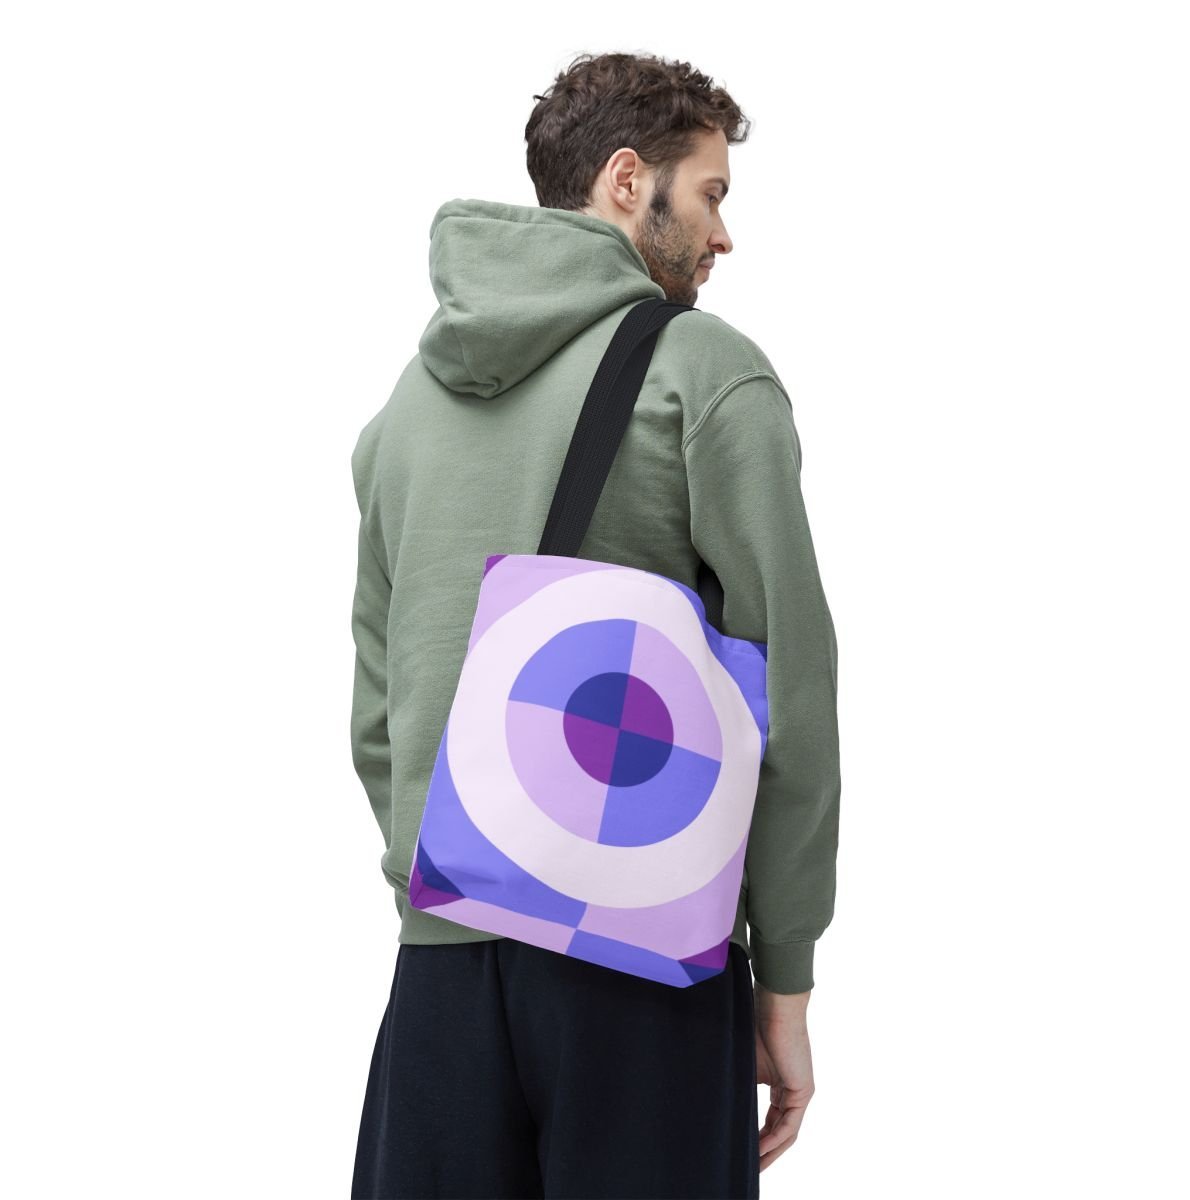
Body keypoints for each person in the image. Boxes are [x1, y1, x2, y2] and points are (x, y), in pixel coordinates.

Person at [348, 51, 841, 1200]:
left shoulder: (404, 410)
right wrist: (786, 978)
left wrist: (452, 886)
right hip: (641, 965)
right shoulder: (704, 374)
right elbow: (792, 697)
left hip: (440, 974)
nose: (723, 237)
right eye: (710, 194)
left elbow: (378, 710)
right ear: (628, 180)